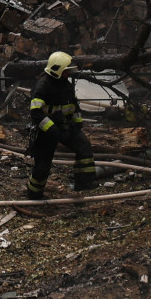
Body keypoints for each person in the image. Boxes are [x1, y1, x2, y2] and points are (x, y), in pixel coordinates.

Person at [25, 50, 95, 199]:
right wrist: (51, 129)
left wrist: (77, 125)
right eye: (66, 71)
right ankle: (34, 194)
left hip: (65, 127)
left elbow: (74, 107)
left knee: (84, 145)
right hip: (45, 131)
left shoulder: (67, 86)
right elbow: (36, 113)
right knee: (43, 164)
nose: (68, 73)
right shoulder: (42, 86)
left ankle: (84, 183)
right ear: (57, 70)